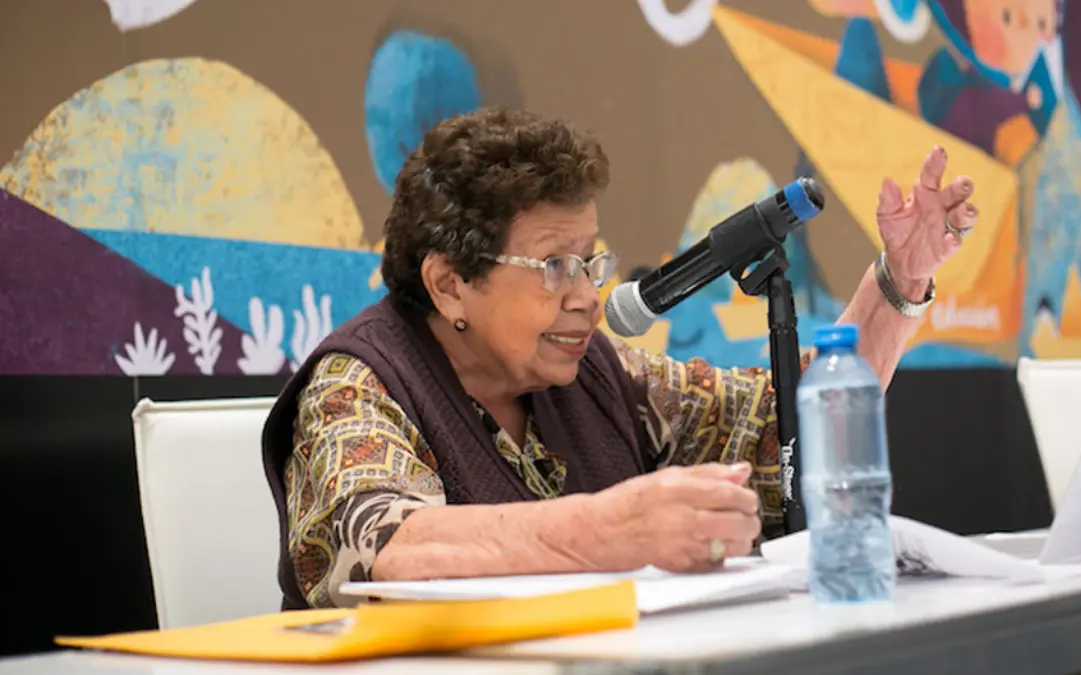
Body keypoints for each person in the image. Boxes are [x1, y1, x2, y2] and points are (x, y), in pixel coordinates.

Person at [261, 107, 979, 610]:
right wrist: (613, 530)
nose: (587, 296)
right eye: (554, 267)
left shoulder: (595, 371)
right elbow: (392, 548)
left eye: (590, 260)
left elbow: (793, 419)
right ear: (451, 282)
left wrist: (898, 282)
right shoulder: (358, 384)